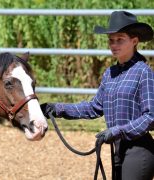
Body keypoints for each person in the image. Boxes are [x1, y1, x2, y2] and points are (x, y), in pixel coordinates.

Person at [41, 11, 154, 180]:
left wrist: (118, 131)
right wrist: (58, 108)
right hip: (118, 150)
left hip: (139, 150)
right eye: (111, 40)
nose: (114, 44)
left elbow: (150, 116)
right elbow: (94, 107)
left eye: (120, 39)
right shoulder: (110, 73)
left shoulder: (143, 72)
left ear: (135, 41)